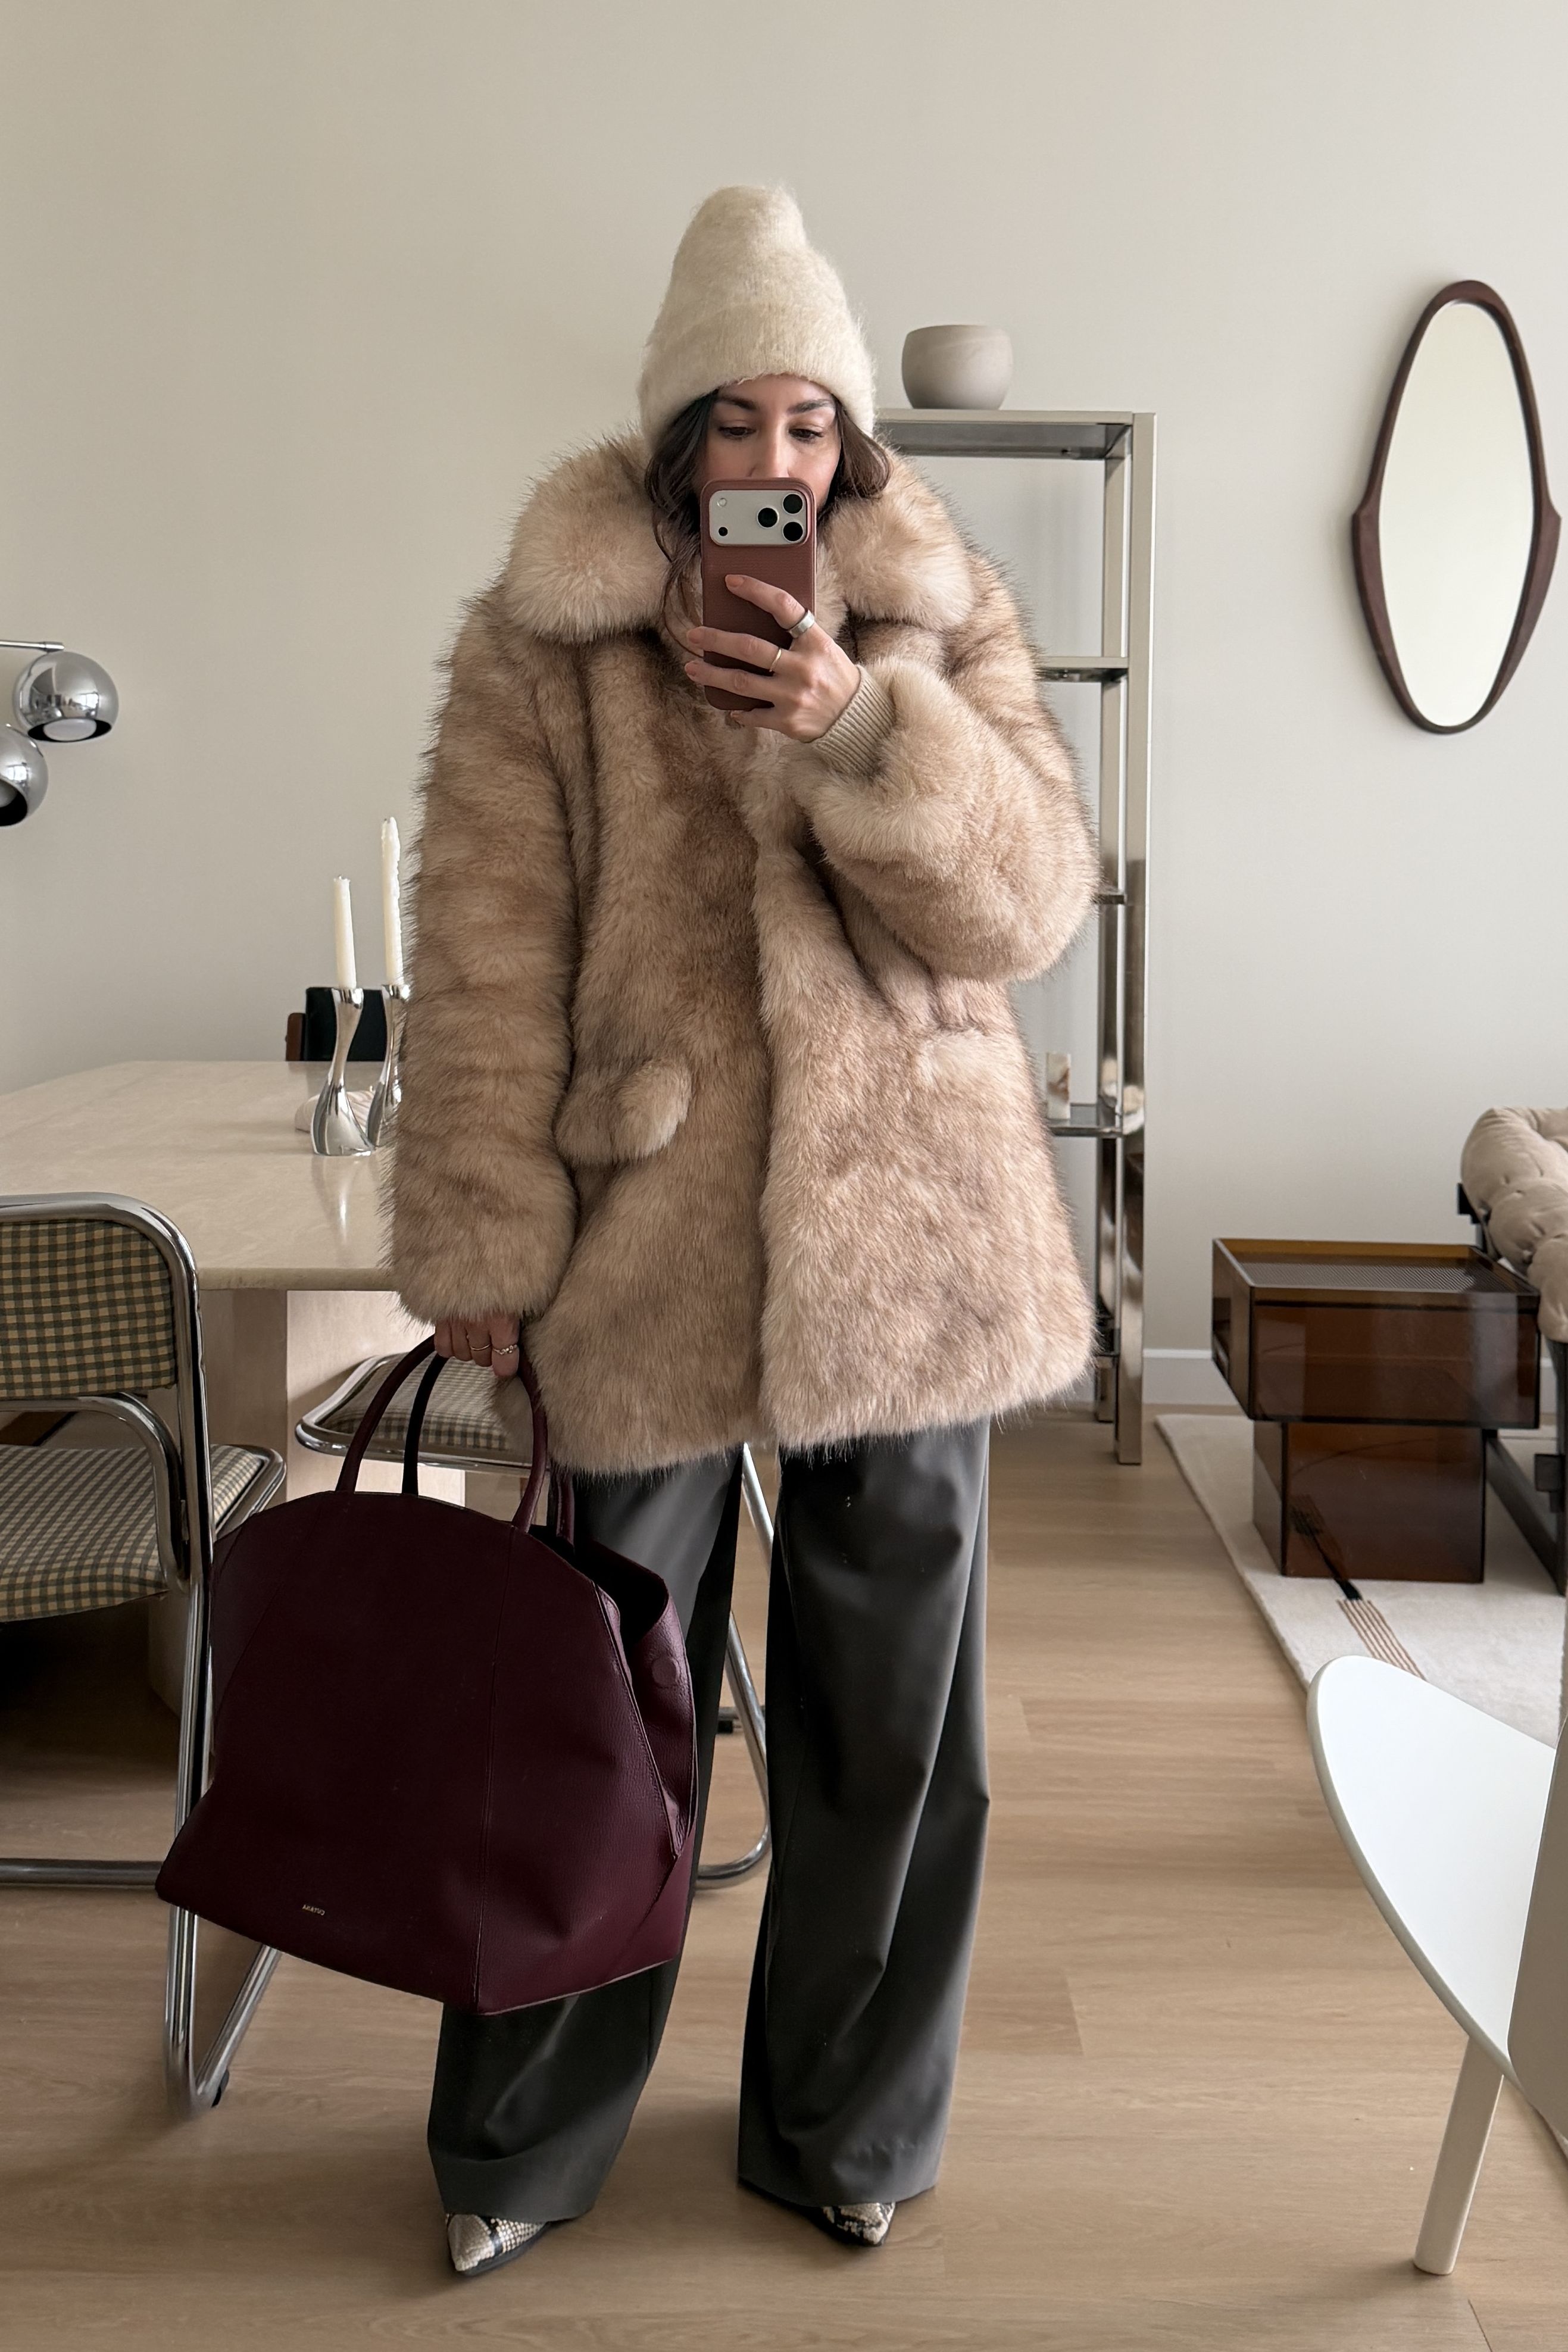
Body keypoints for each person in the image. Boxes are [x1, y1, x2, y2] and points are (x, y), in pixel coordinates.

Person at [389, 185, 1095, 2281]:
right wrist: (487, 1241)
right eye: (738, 417)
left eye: (814, 422)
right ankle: (517, 2145)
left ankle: (847, 2122)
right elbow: (490, 953)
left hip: (916, 1222)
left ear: (849, 442)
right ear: (674, 429)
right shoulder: (547, 638)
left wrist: (862, 727)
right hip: (648, 1225)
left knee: (899, 1707)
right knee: (597, 1701)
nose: (778, 461)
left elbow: (1033, 904)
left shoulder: (932, 611)